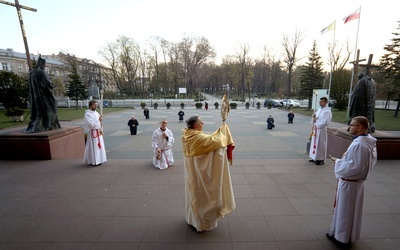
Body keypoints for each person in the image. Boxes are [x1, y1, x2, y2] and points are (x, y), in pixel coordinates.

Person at [326, 116, 377, 247]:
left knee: (345, 211)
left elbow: (356, 167)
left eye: (352, 125)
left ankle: (342, 238)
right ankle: (338, 232)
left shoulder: (360, 144)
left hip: (350, 183)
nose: (349, 127)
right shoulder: (368, 142)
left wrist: (337, 162)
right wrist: (343, 160)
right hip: (354, 183)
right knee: (346, 209)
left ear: (360, 127)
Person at [182, 115, 235, 232]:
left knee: (193, 194)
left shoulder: (187, 134)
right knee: (202, 198)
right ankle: (202, 224)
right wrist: (223, 131)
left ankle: (192, 219)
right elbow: (215, 142)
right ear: (196, 126)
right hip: (200, 175)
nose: (203, 123)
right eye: (201, 122)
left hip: (193, 172)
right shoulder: (198, 138)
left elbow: (208, 142)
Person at [25, 56, 61, 133]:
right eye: (44, 65)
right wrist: (53, 85)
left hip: (34, 97)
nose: (44, 67)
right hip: (43, 96)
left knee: (38, 111)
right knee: (52, 105)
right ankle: (48, 125)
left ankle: (37, 125)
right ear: (41, 64)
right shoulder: (41, 72)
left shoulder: (31, 73)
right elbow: (48, 84)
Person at [309, 96, 332, 165]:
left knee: (321, 144)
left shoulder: (327, 111)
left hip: (321, 130)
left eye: (322, 101)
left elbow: (326, 122)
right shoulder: (318, 110)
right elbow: (315, 118)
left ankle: (321, 159)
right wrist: (313, 119)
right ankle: (314, 157)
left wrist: (316, 122)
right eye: (320, 101)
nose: (320, 102)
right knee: (314, 143)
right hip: (316, 129)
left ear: (326, 102)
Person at [83, 100, 107, 166]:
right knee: (94, 146)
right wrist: (98, 121)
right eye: (94, 105)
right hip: (93, 132)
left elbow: (100, 123)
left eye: (96, 105)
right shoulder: (87, 114)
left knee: (99, 146)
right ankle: (94, 160)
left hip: (98, 132)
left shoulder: (97, 113)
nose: (96, 106)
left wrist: (101, 125)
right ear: (90, 106)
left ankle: (100, 160)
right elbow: (91, 124)